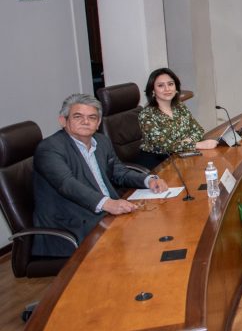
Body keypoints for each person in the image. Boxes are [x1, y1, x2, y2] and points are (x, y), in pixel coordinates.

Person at [33, 93, 170, 258]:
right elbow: (66, 184)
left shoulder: (101, 141)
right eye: (78, 116)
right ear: (63, 121)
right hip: (74, 225)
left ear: (98, 123)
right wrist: (107, 203)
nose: (86, 121)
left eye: (92, 117)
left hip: (106, 215)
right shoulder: (50, 148)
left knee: (159, 226)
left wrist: (148, 180)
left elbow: (118, 171)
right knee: (140, 245)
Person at [138, 68, 218, 168]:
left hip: (181, 155)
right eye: (161, 85)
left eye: (170, 84)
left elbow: (198, 130)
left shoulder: (180, 106)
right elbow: (164, 146)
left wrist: (186, 142)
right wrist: (197, 145)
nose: (167, 89)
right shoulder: (146, 115)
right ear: (153, 90)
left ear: (176, 87)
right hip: (158, 162)